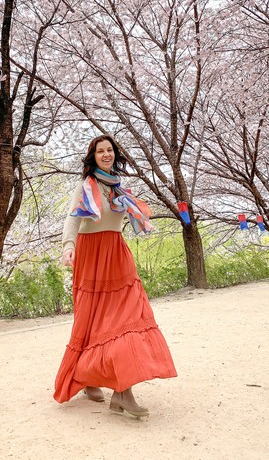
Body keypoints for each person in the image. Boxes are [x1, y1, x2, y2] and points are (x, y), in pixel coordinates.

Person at [53, 135, 177, 417]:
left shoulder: (119, 188)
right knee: (93, 321)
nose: (106, 154)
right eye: (101, 151)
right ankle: (90, 377)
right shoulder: (87, 185)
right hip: (92, 256)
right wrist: (68, 247)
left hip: (116, 253)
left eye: (110, 150)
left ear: (115, 154)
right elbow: (72, 219)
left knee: (128, 318)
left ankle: (122, 391)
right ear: (93, 156)